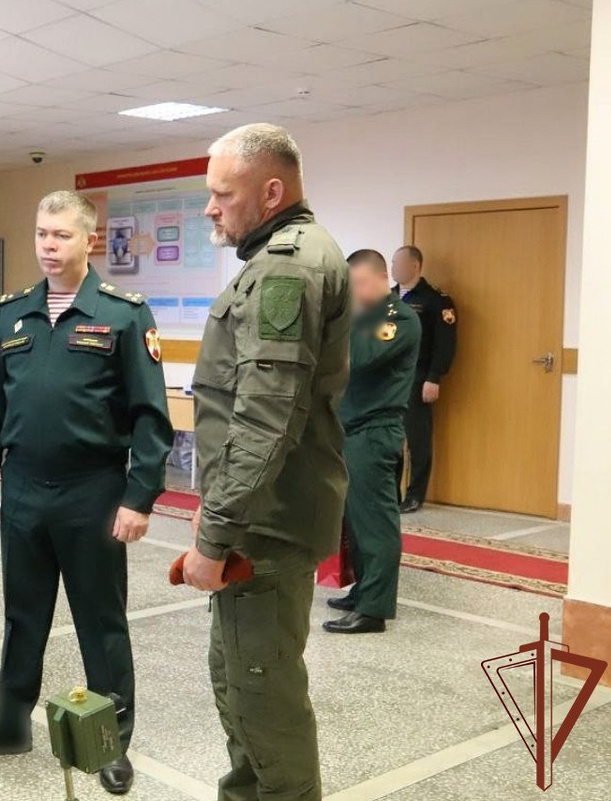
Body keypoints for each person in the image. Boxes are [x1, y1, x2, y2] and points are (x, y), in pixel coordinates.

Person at [0, 190, 173, 796]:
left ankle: (109, 740)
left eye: (62, 235)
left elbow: (151, 417)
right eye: (41, 234)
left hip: (92, 491)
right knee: (22, 614)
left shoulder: (123, 315)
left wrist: (139, 497)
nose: (48, 246)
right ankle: (9, 723)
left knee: (100, 622)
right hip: (24, 488)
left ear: (89, 240)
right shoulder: (14, 313)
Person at [182, 123, 350, 801]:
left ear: (272, 192)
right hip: (259, 516)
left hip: (265, 526)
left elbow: (265, 415)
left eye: (223, 193)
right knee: (239, 685)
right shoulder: (277, 258)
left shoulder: (287, 265)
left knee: (263, 699)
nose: (210, 208)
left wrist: (215, 533)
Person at [324, 249, 420, 635]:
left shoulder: (399, 318)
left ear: (381, 278)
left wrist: (340, 325)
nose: (355, 292)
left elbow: (359, 358)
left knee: (376, 523)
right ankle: (363, 590)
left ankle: (374, 610)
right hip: (351, 431)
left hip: (374, 432)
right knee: (356, 520)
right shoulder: (364, 318)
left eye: (359, 284)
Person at [391, 245, 457, 513]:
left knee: (417, 440)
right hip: (389, 380)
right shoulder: (387, 297)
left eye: (398, 263)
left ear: (415, 266)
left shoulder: (436, 300)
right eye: (392, 263)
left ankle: (415, 495)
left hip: (418, 379)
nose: (394, 268)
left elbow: (445, 343)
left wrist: (434, 377)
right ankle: (390, 494)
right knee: (390, 439)